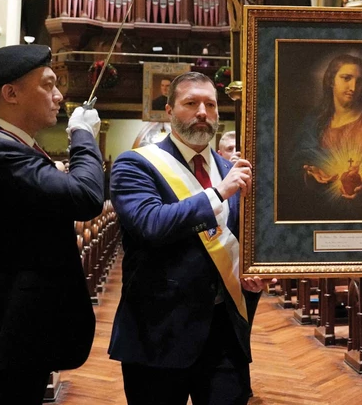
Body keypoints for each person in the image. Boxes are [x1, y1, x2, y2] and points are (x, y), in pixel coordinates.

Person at [0, 44, 104, 405]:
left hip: (19, 325)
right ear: (11, 93)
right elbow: (85, 197)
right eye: (48, 85)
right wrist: (83, 136)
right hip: (1, 328)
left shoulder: (12, 148)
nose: (59, 96)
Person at [109, 71, 264, 405]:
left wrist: (254, 271)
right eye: (190, 103)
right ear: (168, 110)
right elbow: (151, 224)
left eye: (210, 104)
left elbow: (243, 236)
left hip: (225, 332)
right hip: (159, 333)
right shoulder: (135, 165)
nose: (202, 112)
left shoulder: (230, 168)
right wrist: (218, 192)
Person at [297, 53, 362, 201]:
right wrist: (313, 174)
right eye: (346, 78)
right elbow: (296, 164)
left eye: (360, 81)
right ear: (331, 80)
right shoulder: (316, 125)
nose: (353, 87)